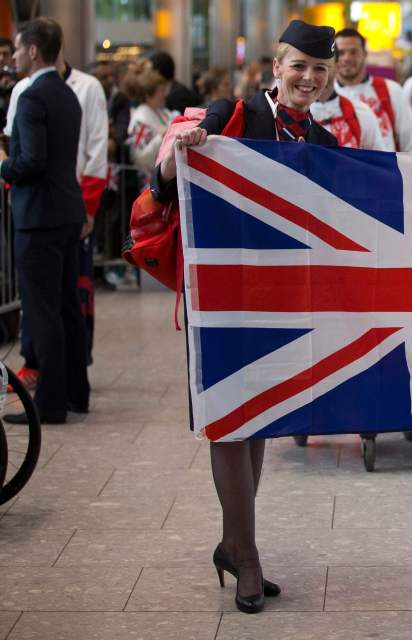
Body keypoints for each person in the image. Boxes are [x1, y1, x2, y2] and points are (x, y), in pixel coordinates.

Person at [153, 19, 339, 615]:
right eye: (298, 66)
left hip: (287, 300)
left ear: (329, 76)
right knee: (231, 418)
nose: (307, 78)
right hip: (226, 295)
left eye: (318, 69)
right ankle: (249, 558)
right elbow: (162, 184)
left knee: (258, 417)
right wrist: (183, 151)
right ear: (275, 67)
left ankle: (235, 543)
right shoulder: (230, 117)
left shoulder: (328, 142)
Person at [0, 18, 89, 425]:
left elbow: (31, 161)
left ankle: (50, 403)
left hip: (39, 216)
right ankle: (75, 392)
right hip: (67, 211)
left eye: (18, 49)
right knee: (68, 306)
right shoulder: (67, 94)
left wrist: (4, 164)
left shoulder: (34, 96)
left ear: (33, 50)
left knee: (43, 309)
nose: (15, 56)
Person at [333, 28, 412, 153]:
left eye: (353, 52)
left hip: (385, 170)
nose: (347, 58)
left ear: (364, 54)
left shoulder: (391, 90)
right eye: (341, 53)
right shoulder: (323, 97)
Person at [311, 61, 387, 150]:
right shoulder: (294, 116)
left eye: (322, 68)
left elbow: (378, 159)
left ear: (337, 67)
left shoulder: (361, 112)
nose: (313, 77)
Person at [127, 70, 172, 188]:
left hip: (165, 175)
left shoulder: (163, 112)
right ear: (148, 95)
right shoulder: (140, 119)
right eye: (161, 91)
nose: (164, 94)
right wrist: (161, 137)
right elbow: (139, 158)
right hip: (149, 180)